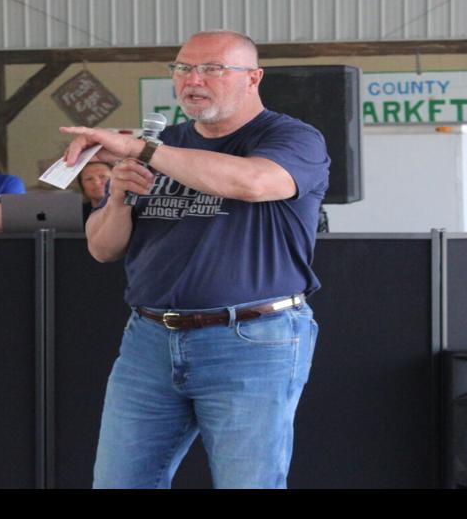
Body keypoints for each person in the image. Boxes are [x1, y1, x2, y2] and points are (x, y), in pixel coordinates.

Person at [59, 30, 328, 489]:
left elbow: (252, 183)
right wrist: (120, 196)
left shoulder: (291, 137)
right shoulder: (166, 143)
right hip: (149, 342)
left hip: (249, 339)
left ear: (253, 78)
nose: (193, 80)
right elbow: (102, 248)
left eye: (212, 69)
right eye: (182, 68)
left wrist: (143, 149)